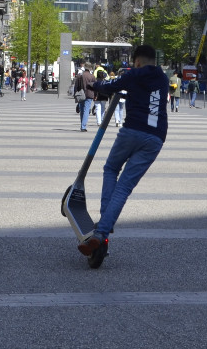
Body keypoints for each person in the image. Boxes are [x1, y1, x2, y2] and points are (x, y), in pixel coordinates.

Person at [76, 44, 170, 268]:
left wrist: (93, 83)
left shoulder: (134, 74)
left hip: (132, 131)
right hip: (155, 137)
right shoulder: (163, 78)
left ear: (137, 61)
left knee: (110, 169)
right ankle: (103, 228)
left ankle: (104, 224)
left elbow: (110, 85)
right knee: (125, 187)